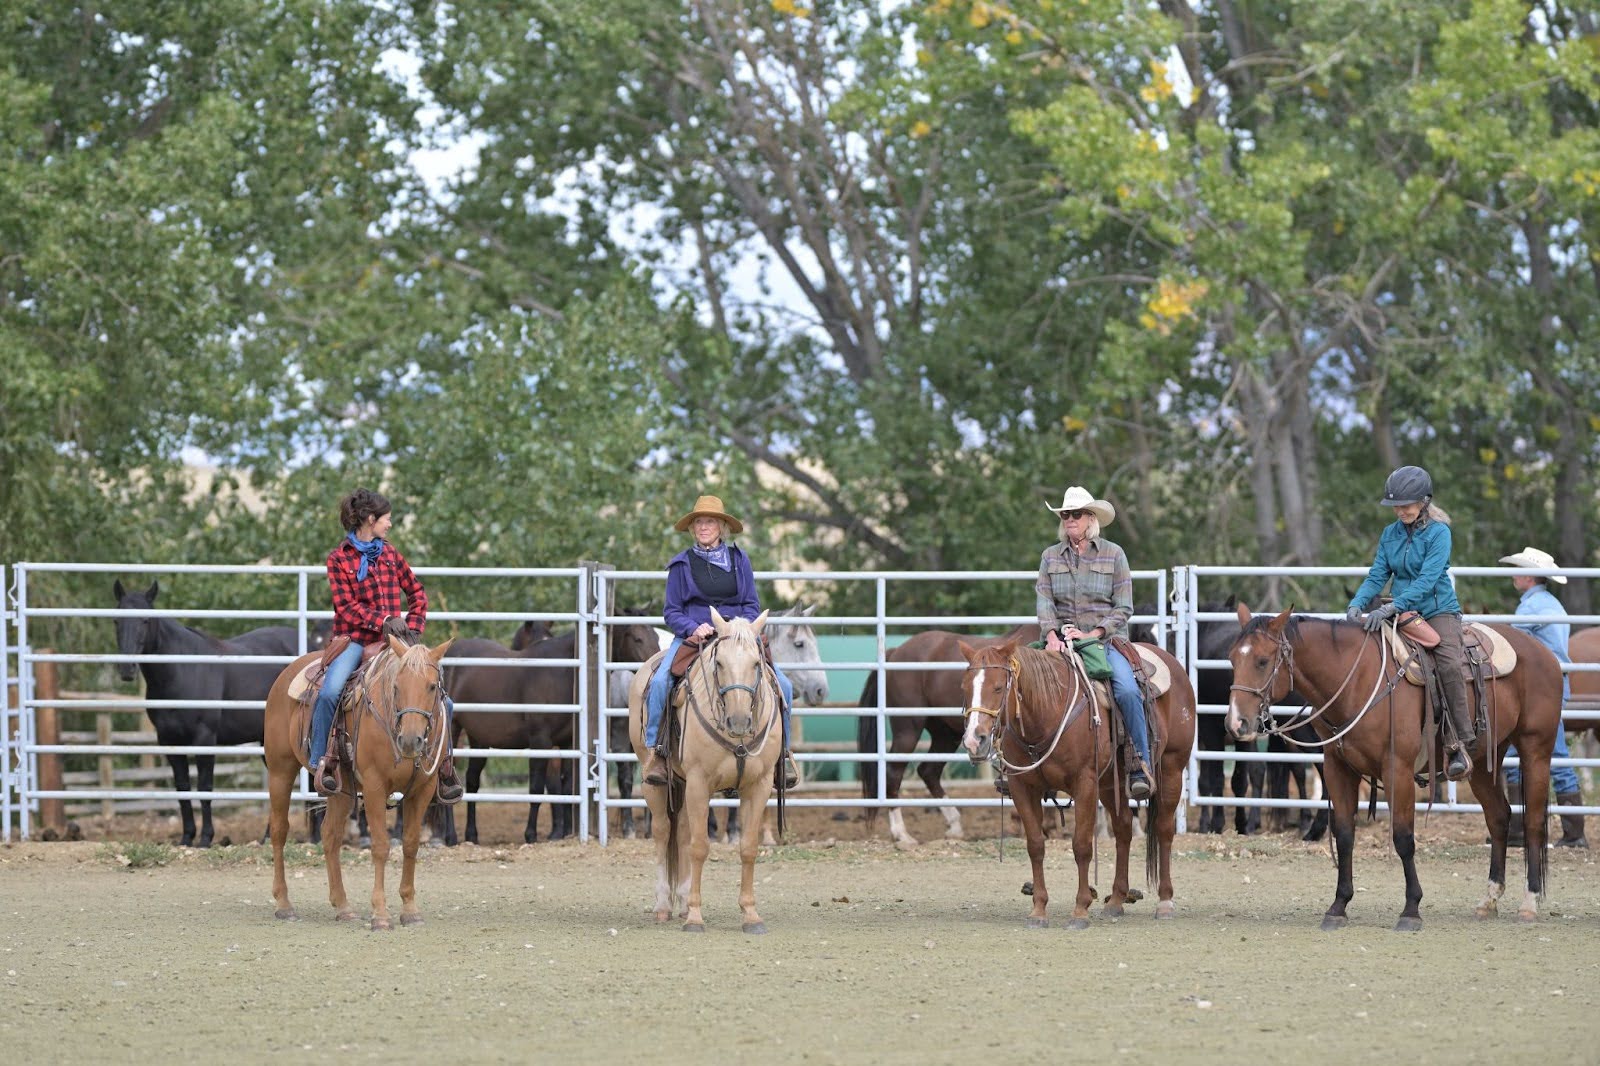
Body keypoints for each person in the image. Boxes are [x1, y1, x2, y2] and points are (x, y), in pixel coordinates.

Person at [309, 488, 463, 803]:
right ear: (370, 519)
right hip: (354, 639)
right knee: (329, 692)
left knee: (443, 701)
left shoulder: (390, 554)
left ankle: (444, 766)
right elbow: (346, 607)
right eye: (387, 520)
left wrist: (414, 630)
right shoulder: (338, 559)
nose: (389, 525)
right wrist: (383, 621)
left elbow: (417, 593)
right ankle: (323, 762)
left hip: (396, 642)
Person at [642, 494, 796, 789]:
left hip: (737, 635)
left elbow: (751, 603)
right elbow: (671, 611)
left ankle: (782, 756)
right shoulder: (680, 565)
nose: (703, 527)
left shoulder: (740, 560)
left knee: (784, 686)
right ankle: (657, 753)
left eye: (710, 521)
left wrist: (742, 627)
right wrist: (691, 627)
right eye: (698, 522)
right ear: (692, 528)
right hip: (695, 635)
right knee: (661, 682)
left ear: (722, 527)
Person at [1345, 465, 1477, 780]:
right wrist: (1357, 603)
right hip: (1401, 611)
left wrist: (1394, 607)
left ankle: (1459, 740)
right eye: (1396, 506)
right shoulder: (1390, 534)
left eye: (1406, 504)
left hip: (1436, 611)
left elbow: (1429, 579)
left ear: (1424, 501)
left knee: (1447, 661)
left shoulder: (1439, 532)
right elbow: (1378, 573)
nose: (1401, 511)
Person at [1035, 486, 1151, 800]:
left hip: (1106, 641)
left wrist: (1093, 634)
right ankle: (1022, 767)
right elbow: (1044, 601)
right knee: (1018, 680)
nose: (1069, 519)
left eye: (1075, 514)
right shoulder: (1050, 556)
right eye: (1065, 514)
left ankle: (1139, 762)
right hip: (1061, 641)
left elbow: (1124, 607)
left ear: (1090, 518)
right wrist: (1050, 635)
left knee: (1127, 689)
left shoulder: (1114, 554)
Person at [1498, 546, 1586, 848]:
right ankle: (1560, 829)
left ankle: (1568, 832)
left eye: (1519, 570)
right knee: (1520, 754)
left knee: (1553, 754)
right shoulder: (1547, 603)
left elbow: (1512, 643)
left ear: (1530, 577)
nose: (1514, 574)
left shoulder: (1532, 609)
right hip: (1548, 686)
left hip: (1539, 690)